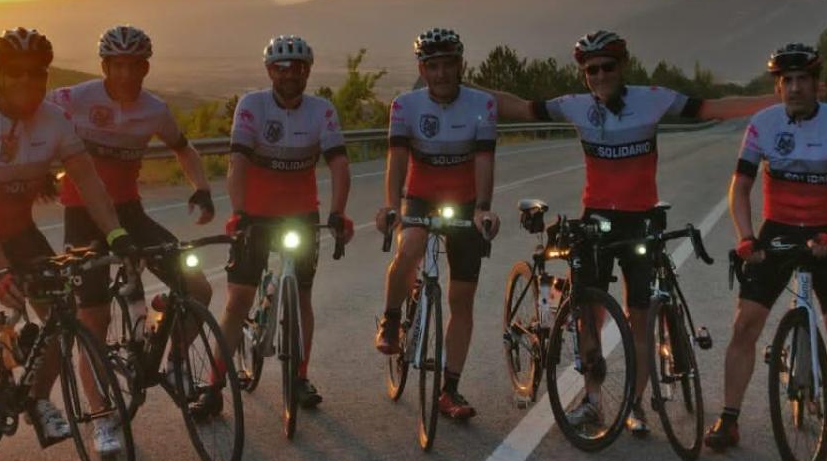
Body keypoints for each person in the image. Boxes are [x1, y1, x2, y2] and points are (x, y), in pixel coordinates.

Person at [482, 30, 765, 431]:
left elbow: (712, 107)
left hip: (641, 218)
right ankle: (594, 401)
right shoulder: (575, 106)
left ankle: (634, 404)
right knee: (588, 315)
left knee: (640, 315)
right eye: (590, 70)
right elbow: (521, 107)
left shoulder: (652, 99)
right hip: (595, 218)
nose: (599, 75)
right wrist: (464, 86)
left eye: (607, 67)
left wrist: (776, 100)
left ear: (622, 66)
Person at [0, 27, 133, 461]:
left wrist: (118, 235)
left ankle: (38, 398)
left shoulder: (55, 121)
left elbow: (89, 183)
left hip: (19, 231)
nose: (28, 81)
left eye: (38, 73)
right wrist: (1, 270)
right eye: (16, 73)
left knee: (60, 318)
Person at [52, 25, 219, 456]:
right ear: (105, 66)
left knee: (196, 284)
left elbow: (184, 148)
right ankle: (102, 418)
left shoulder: (154, 109)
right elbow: (31, 123)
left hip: (130, 213)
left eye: (135, 65)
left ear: (146, 66)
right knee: (93, 320)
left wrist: (200, 186)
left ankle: (177, 359)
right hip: (82, 218)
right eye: (118, 65)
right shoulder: (75, 99)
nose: (126, 73)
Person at [705, 43, 827, 453]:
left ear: (818, 85)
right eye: (786, 81)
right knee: (745, 324)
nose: (794, 88)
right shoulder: (763, 124)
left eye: (802, 80)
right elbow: (740, 186)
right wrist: (745, 236)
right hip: (777, 228)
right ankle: (729, 418)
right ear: (778, 87)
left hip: (826, 230)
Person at [216, 35, 353, 410]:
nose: (290, 74)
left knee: (303, 296)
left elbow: (339, 164)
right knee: (239, 299)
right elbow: (238, 163)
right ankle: (212, 385)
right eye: (282, 68)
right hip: (254, 214)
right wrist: (238, 211)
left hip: (301, 213)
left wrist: (338, 213)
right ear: (269, 71)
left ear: (308, 71)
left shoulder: (321, 110)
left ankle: (300, 377)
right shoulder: (252, 105)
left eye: (299, 68)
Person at [372, 28, 500, 420]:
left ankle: (450, 390)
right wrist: (391, 206)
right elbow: (397, 160)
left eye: (449, 65)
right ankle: (392, 320)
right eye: (433, 66)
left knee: (461, 300)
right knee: (409, 246)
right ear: (422, 69)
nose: (442, 73)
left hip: (464, 204)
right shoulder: (405, 106)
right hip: (420, 197)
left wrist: (482, 209)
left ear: (461, 65)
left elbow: (484, 161)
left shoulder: (482, 105)